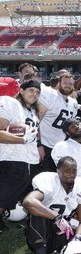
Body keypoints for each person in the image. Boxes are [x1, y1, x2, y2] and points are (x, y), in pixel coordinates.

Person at [0, 80, 40, 233]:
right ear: (21, 91)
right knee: (4, 195)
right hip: (11, 158)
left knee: (12, 195)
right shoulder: (10, 103)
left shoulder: (32, 112)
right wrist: (21, 139)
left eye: (37, 92)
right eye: (31, 90)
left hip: (27, 159)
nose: (34, 94)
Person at [38, 70, 79, 172]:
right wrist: (38, 144)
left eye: (70, 83)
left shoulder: (73, 103)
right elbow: (36, 120)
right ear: (59, 83)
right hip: (45, 144)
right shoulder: (50, 95)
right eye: (65, 83)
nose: (68, 86)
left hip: (60, 147)